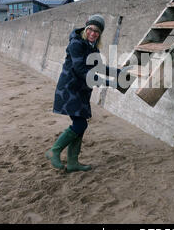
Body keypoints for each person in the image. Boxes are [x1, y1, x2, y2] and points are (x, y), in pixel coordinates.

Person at [46, 14, 127, 173]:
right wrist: (109, 83)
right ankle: (54, 151)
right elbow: (80, 70)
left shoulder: (92, 47)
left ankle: (73, 162)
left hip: (81, 91)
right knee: (80, 124)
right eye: (90, 29)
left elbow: (99, 68)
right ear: (86, 27)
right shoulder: (76, 44)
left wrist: (119, 72)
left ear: (100, 34)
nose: (93, 33)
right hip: (70, 90)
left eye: (97, 31)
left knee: (80, 125)